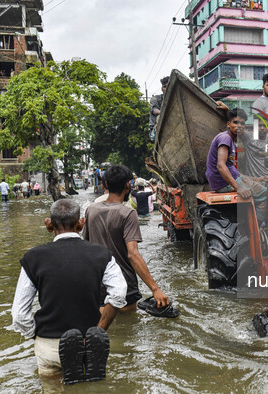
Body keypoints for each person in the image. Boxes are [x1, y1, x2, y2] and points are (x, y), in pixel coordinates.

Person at [11, 199, 127, 384]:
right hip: (89, 342)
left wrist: (38, 335)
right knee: (92, 387)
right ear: (81, 223)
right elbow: (119, 293)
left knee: (53, 388)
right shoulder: (102, 254)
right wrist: (99, 329)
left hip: (49, 344)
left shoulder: (33, 258)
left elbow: (18, 315)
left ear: (48, 224)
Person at [83, 165, 169, 311]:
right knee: (128, 325)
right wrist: (155, 289)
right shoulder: (128, 214)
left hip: (98, 283)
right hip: (124, 283)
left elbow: (85, 248)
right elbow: (133, 254)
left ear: (105, 185)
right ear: (128, 185)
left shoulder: (91, 210)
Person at [205, 109, 268, 222]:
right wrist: (238, 187)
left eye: (242, 123)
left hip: (228, 179)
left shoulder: (231, 139)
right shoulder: (225, 138)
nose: (239, 126)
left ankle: (248, 219)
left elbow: (233, 171)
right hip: (223, 183)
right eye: (235, 122)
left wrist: (255, 179)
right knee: (263, 193)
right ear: (228, 124)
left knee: (262, 182)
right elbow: (221, 165)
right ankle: (257, 227)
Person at [149, 76, 169, 141]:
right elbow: (154, 110)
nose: (167, 88)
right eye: (165, 87)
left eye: (169, 86)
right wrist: (163, 113)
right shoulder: (156, 99)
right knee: (159, 117)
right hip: (157, 130)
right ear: (162, 88)